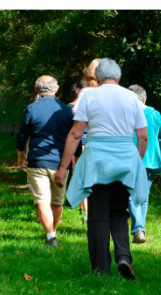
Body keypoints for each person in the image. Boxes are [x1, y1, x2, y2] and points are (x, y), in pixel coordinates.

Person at [55, 58, 149, 279]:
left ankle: (100, 268)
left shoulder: (89, 96)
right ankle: (124, 256)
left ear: (97, 78)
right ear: (118, 78)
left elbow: (76, 134)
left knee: (98, 215)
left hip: (98, 163)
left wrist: (63, 167)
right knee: (118, 211)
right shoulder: (131, 97)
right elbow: (143, 136)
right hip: (125, 162)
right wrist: (135, 161)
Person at [16, 76, 79, 247]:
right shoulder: (66, 111)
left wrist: (21, 154)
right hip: (60, 163)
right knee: (57, 201)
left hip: (37, 160)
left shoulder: (31, 109)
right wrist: (76, 156)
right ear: (56, 89)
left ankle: (51, 235)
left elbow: (22, 136)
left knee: (42, 200)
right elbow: (75, 136)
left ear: (37, 90)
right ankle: (53, 233)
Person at [127, 85, 161, 244]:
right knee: (142, 195)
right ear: (144, 99)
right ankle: (140, 229)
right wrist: (160, 145)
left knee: (132, 194)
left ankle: (138, 229)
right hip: (150, 161)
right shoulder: (154, 114)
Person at [68, 79, 89, 222]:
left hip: (80, 143)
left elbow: (73, 132)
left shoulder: (71, 109)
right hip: (95, 143)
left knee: (82, 177)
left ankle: (87, 212)